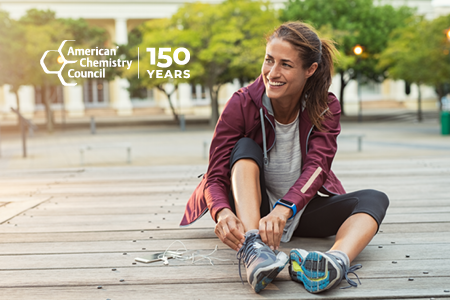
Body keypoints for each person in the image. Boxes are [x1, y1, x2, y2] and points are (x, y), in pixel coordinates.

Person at [180, 21, 389, 294]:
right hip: (253, 212)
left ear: (310, 70)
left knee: (374, 199)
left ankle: (336, 261)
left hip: (298, 209)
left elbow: (318, 167)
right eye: (269, 60)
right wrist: (222, 211)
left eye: (285, 65)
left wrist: (285, 208)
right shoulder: (241, 103)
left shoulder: (325, 106)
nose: (272, 72)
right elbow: (215, 174)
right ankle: (254, 249)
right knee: (244, 148)